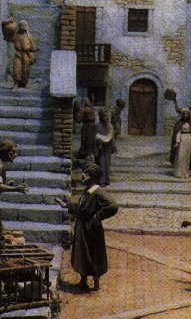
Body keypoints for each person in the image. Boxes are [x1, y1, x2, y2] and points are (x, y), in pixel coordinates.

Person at [56, 163, 118, 292]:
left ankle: (96, 284)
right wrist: (66, 205)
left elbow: (113, 205)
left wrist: (98, 216)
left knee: (94, 253)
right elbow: (82, 207)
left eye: (86, 173)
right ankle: (83, 281)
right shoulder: (87, 191)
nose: (82, 175)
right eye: (83, 172)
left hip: (92, 229)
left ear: (93, 176)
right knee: (82, 253)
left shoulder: (98, 192)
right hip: (82, 227)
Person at [9, 20, 39, 88]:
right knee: (16, 68)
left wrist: (35, 48)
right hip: (18, 54)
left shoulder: (28, 36)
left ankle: (24, 83)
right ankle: (16, 83)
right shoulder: (15, 35)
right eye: (22, 25)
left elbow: (32, 46)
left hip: (26, 55)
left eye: (24, 25)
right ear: (19, 27)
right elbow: (8, 37)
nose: (23, 26)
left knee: (26, 69)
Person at [95, 110, 114, 186]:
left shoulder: (110, 126)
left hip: (108, 147)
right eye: (105, 116)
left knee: (107, 164)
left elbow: (112, 136)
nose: (107, 118)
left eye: (107, 116)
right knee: (101, 164)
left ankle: (106, 180)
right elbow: (96, 136)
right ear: (101, 117)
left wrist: (114, 146)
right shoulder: (98, 126)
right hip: (101, 148)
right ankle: (101, 181)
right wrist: (99, 143)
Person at [77, 98, 97, 162]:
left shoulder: (87, 110)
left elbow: (79, 120)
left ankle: (88, 153)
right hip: (88, 126)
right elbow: (79, 120)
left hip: (90, 127)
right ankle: (86, 153)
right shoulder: (85, 110)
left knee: (89, 140)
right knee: (87, 140)